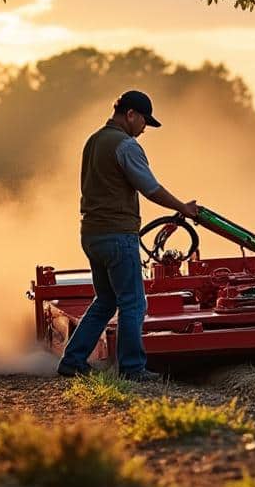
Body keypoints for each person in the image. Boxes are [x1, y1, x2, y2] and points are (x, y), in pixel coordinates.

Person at [57, 90, 200, 382]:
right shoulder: (125, 145)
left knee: (106, 300)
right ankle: (133, 369)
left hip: (92, 234)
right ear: (131, 114)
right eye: (144, 121)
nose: (145, 128)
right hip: (117, 235)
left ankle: (72, 361)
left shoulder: (94, 141)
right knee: (134, 302)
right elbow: (150, 188)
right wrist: (183, 207)